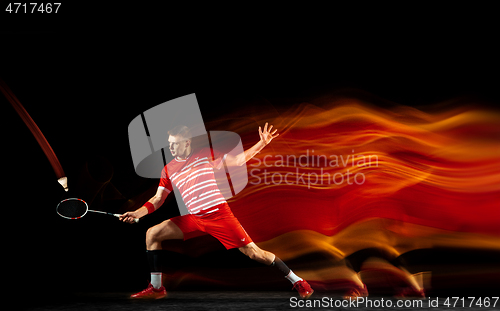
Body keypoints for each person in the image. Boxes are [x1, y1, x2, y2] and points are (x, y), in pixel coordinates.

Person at [120, 123, 314, 299]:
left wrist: (262, 143)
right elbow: (158, 199)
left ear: (186, 143)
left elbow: (238, 161)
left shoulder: (205, 155)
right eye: (169, 144)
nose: (170, 147)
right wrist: (137, 213)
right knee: (152, 233)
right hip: (194, 219)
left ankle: (297, 280)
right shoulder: (168, 169)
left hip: (219, 216)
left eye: (175, 144)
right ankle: (156, 289)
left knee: (255, 254)